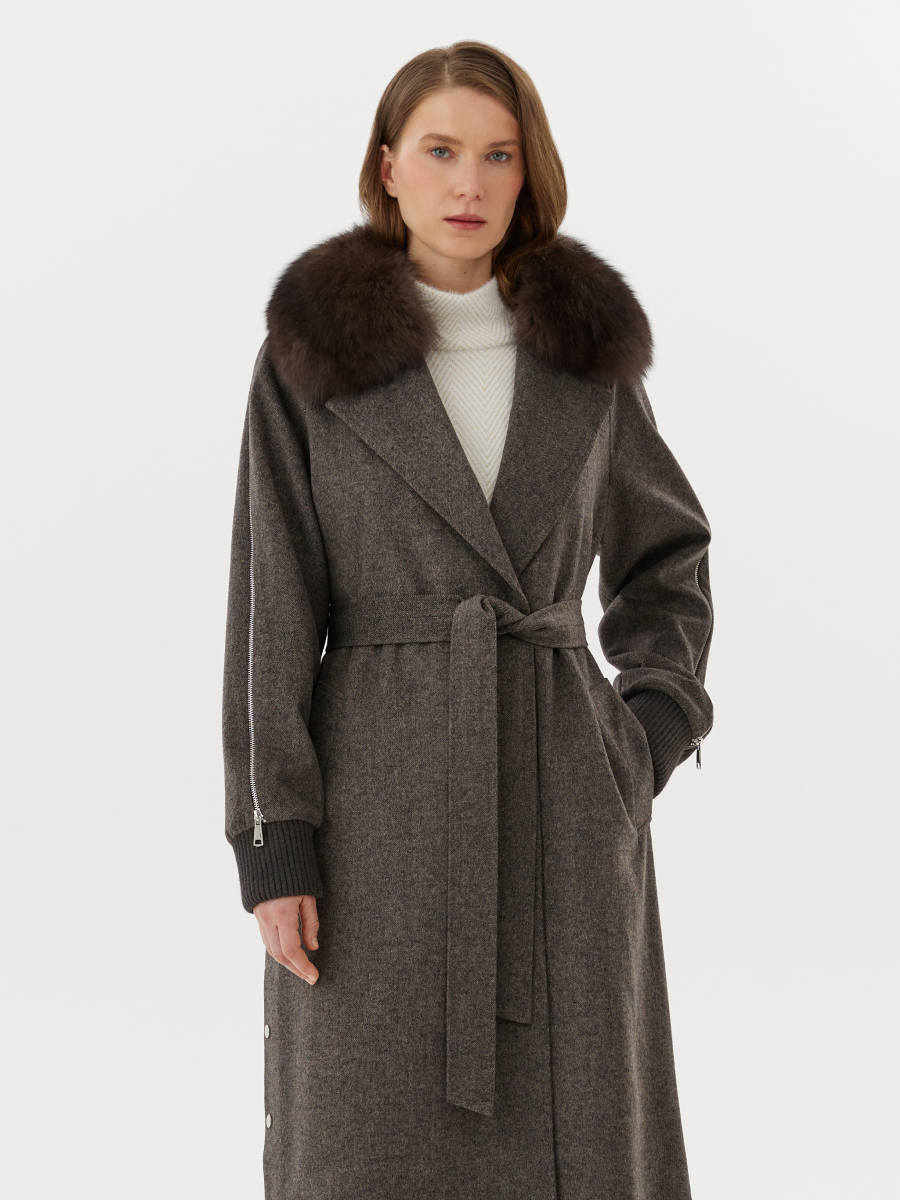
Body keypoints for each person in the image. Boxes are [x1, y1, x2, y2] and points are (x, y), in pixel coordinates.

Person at [222, 39, 714, 1200]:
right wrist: (274, 840)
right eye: (441, 151)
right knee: (358, 1135)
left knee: (578, 1132)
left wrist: (643, 736)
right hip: (372, 813)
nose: (469, 183)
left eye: (498, 155)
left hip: (561, 802)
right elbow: (268, 607)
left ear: (528, 171)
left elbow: (669, 559)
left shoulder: (588, 360)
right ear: (388, 166)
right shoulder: (309, 362)